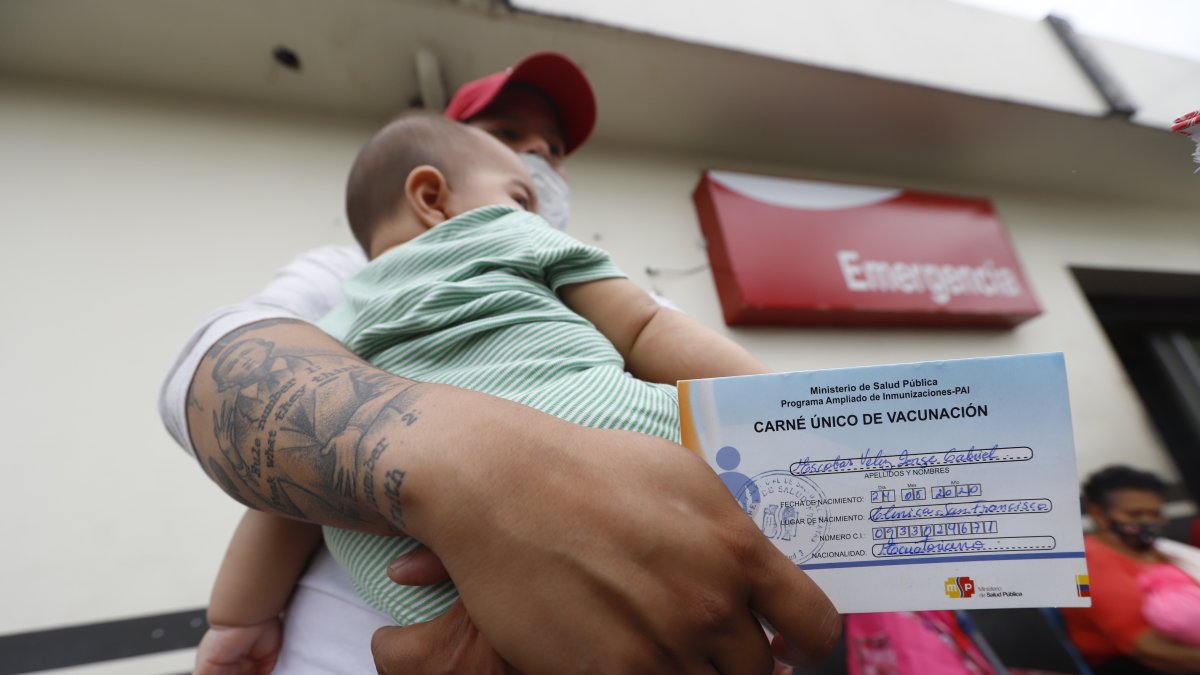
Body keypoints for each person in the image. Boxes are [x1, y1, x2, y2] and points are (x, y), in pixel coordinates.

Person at [163, 52, 841, 674]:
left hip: (406, 583)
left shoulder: (340, 319)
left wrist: (238, 615)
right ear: (433, 193)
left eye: (553, 152)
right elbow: (648, 326)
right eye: (511, 142)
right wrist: (786, 407)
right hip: (611, 460)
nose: (539, 166)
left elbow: (290, 487)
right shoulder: (497, 240)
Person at [1061, 465, 1200, 674]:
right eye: (1135, 514)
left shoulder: (1160, 552)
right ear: (1099, 513)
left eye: (1155, 514)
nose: (1147, 521)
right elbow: (1150, 650)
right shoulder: (1090, 565)